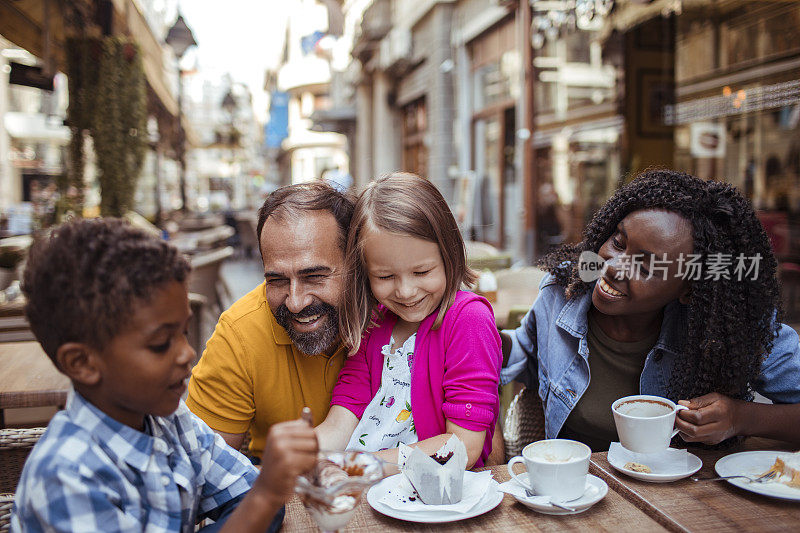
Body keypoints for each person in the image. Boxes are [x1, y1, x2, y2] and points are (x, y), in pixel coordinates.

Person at [12, 218, 319, 532]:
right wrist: (265, 496)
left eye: (184, 333)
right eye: (160, 344)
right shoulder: (66, 477)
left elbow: (246, 494)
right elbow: (257, 503)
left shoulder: (171, 421)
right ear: (82, 363)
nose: (187, 353)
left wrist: (260, 501)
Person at [502, 169, 800, 452]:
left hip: (685, 498)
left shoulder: (728, 325)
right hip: (577, 490)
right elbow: (525, 352)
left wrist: (741, 418)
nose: (613, 267)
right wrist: (472, 330)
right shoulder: (565, 287)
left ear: (689, 289)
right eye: (618, 242)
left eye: (645, 267)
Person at [315, 173, 502, 468]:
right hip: (367, 486)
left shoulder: (469, 320)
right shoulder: (373, 323)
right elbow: (342, 418)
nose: (405, 291)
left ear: (449, 255)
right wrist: (304, 451)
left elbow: (464, 446)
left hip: (437, 498)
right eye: (385, 276)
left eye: (422, 272)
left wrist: (365, 466)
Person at [186, 183, 354, 457]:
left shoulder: (397, 312)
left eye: (314, 276)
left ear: (356, 265)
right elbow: (204, 471)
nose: (296, 301)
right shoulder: (240, 334)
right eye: (276, 280)